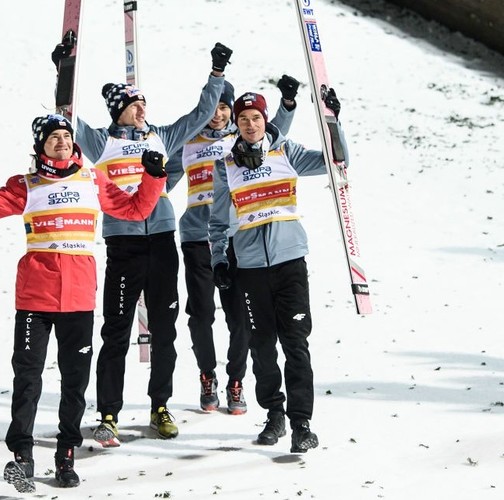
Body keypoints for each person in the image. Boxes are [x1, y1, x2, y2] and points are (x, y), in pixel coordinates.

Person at [0, 114, 167, 491]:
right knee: (27, 379)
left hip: (78, 297)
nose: (61, 142)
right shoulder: (26, 185)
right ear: (40, 146)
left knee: (75, 383)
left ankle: (66, 456)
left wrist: (153, 178)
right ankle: (22, 458)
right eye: (53, 138)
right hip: (35, 297)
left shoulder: (93, 180)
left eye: (65, 136)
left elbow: (134, 210)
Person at [58, 41, 232, 444]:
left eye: (144, 104)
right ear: (119, 109)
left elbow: (201, 114)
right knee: (116, 332)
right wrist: (63, 71)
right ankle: (108, 415)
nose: (142, 110)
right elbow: (66, 119)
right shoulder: (101, 143)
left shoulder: (163, 137)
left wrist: (216, 75)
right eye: (134, 104)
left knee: (165, 331)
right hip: (124, 245)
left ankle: (160, 406)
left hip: (162, 244)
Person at [208, 88, 344, 453]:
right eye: (243, 119)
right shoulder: (226, 165)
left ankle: (302, 423)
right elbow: (218, 221)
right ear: (236, 125)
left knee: (296, 344)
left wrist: (333, 122)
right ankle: (274, 414)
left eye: (256, 118)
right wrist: (219, 259)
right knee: (262, 346)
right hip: (250, 267)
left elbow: (335, 161)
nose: (250, 125)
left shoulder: (287, 151)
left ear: (265, 120)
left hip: (290, 263)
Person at [164, 75, 301, 414]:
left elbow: (272, 134)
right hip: (197, 237)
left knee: (239, 317)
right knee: (201, 313)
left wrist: (286, 106)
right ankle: (206, 375)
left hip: (236, 237)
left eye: (224, 107)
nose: (218, 114)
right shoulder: (188, 142)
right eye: (212, 107)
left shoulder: (241, 138)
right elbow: (161, 180)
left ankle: (236, 380)